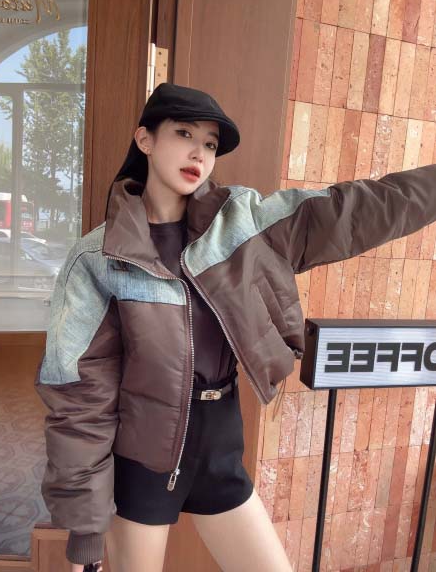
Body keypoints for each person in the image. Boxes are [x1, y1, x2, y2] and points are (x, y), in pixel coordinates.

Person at [34, 82, 436, 572]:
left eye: (209, 144)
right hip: (143, 462)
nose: (198, 154)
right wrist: (85, 531)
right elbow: (80, 400)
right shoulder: (98, 258)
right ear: (145, 140)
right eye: (184, 134)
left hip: (220, 446)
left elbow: (354, 209)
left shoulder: (245, 226)